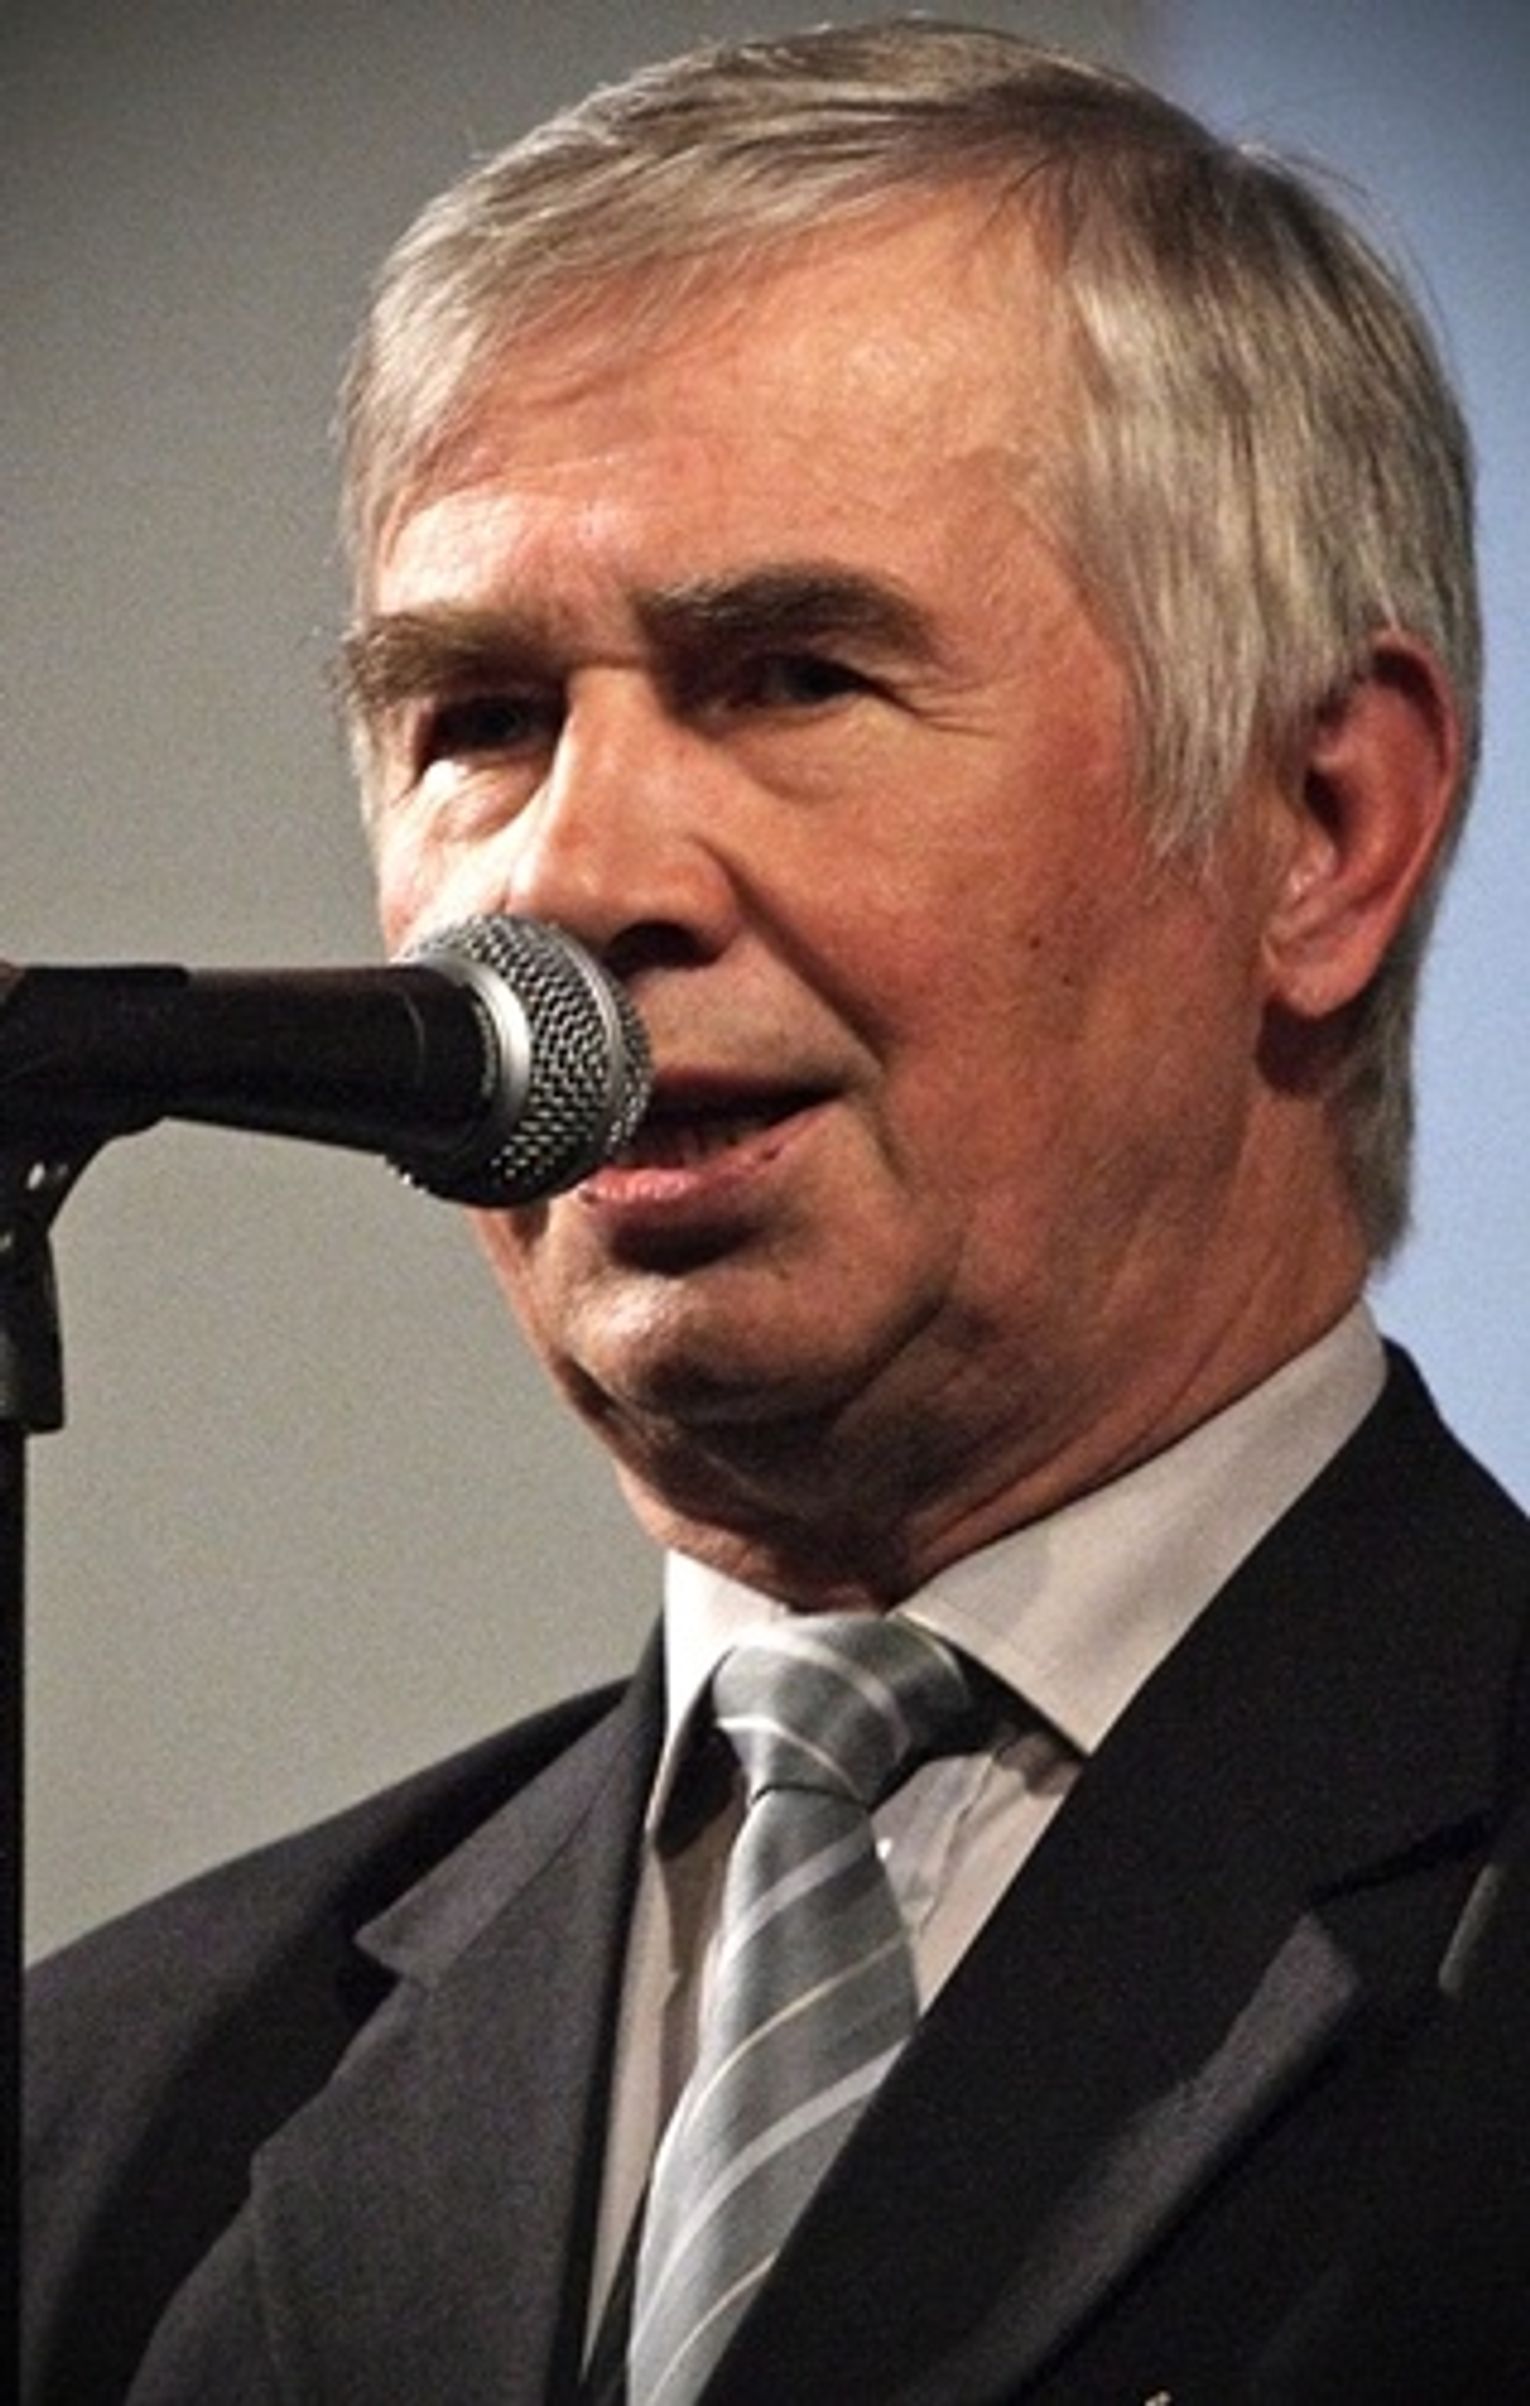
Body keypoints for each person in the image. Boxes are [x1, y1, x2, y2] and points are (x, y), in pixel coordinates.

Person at [24, 20, 1530, 2403]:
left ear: (1321, 829)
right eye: (479, 716)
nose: (568, 874)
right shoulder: (108, 2121)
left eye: (791, 677)